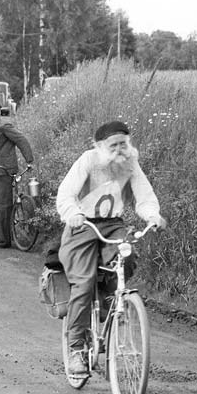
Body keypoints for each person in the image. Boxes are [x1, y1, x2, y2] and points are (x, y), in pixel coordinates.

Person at [56, 121, 165, 376]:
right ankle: (76, 350)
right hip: (82, 226)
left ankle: (109, 302)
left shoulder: (130, 162)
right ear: (100, 146)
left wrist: (152, 216)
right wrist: (72, 213)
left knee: (127, 256)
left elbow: (144, 195)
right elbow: (65, 194)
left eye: (123, 144)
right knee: (83, 283)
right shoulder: (88, 161)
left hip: (113, 224)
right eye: (113, 145)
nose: (119, 149)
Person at [0, 99, 35, 249]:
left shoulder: (3, 126)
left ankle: (3, 240)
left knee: (1, 205)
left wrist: (29, 160)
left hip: (4, 171)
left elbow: (21, 139)